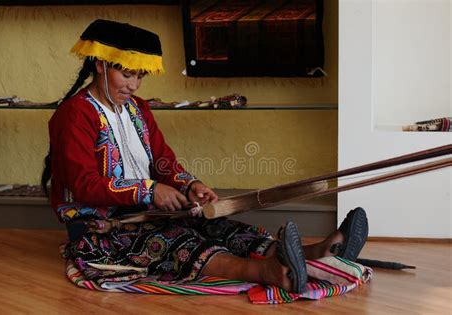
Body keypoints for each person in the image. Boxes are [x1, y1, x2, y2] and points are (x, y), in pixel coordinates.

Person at [42, 19, 368, 294]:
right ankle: (267, 273)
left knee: (215, 224)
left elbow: (163, 161)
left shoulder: (137, 109)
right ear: (100, 64)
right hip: (100, 226)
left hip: (147, 210)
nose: (134, 85)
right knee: (174, 239)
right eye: (127, 74)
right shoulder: (74, 115)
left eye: (140, 76)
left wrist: (190, 186)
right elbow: (85, 185)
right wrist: (150, 190)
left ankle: (318, 253)